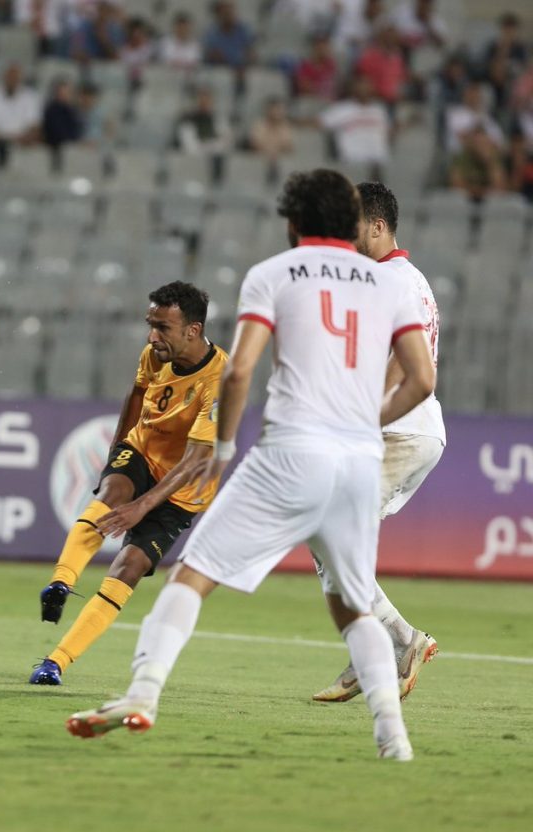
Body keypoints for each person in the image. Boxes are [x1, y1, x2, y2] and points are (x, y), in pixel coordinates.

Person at [67, 169, 435, 763]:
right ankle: (392, 736)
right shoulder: (389, 284)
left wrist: (223, 447)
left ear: (295, 223)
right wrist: (363, 424)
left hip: (291, 452)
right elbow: (422, 379)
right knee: (351, 603)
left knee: (192, 576)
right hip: (356, 460)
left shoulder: (275, 274)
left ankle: (142, 693)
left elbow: (238, 371)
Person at [29, 282, 227, 686]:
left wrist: (143, 506)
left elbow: (196, 460)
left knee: (130, 566)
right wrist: (118, 450)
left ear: (193, 330)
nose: (152, 337)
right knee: (112, 491)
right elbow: (137, 393)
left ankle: (56, 662)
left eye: (162, 328)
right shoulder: (155, 355)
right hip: (143, 450)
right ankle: (61, 582)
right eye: (150, 325)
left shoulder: (221, 379)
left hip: (183, 489)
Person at [312, 181, 443, 701]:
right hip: (403, 429)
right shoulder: (400, 279)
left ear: (379, 226)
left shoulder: (392, 281)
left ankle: (399, 642)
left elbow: (404, 360)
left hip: (397, 430)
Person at [318, 74, 391, 176]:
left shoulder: (379, 109)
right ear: (353, 89)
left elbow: (389, 132)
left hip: (379, 162)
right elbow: (319, 122)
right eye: (360, 86)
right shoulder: (341, 109)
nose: (363, 90)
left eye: (366, 86)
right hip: (354, 161)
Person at [0, 62, 42, 169]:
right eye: (10, 76)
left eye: (15, 77)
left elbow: (35, 129)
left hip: (22, 146)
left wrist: (16, 141)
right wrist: (4, 141)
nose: (12, 80)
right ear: (3, 77)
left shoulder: (31, 97)